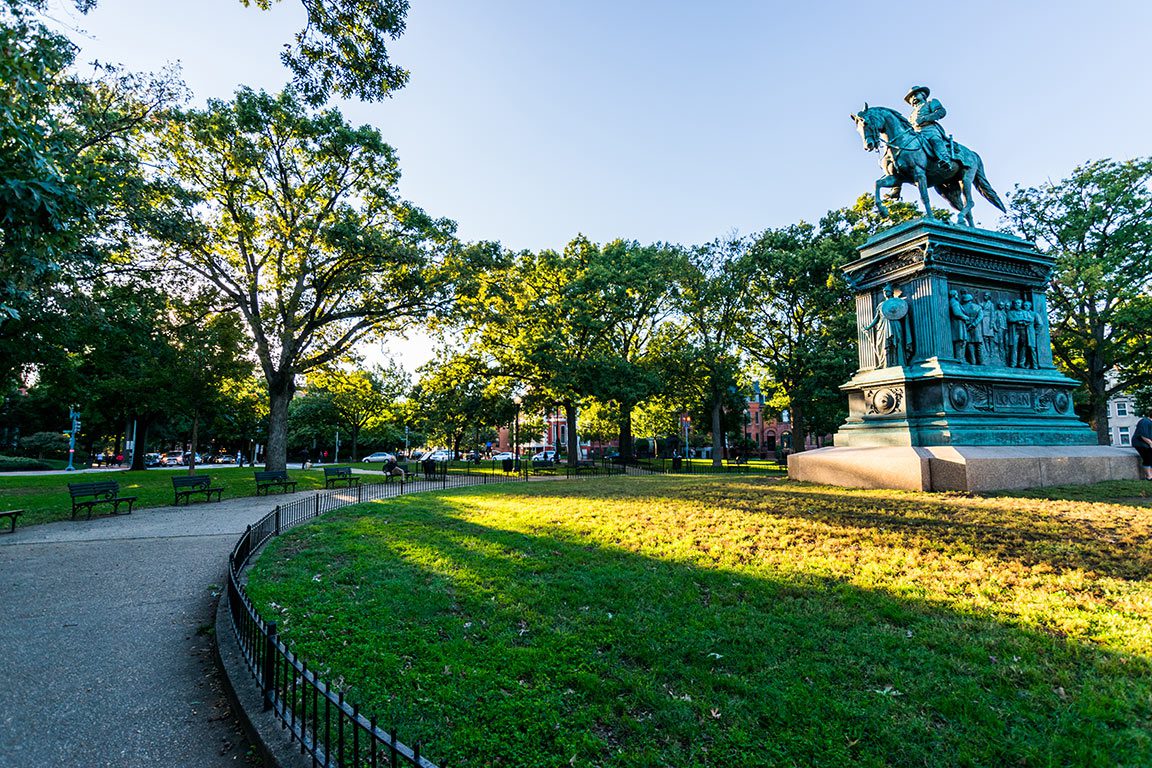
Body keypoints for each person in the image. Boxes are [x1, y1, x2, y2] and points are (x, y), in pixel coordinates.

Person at [862, 283, 909, 368]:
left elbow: (903, 314)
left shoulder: (898, 302)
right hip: (883, 326)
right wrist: (868, 327)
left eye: (887, 291)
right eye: (884, 291)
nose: (885, 293)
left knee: (895, 344)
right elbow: (876, 318)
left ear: (891, 292)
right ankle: (885, 364)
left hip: (894, 324)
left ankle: (897, 362)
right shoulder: (881, 305)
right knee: (884, 345)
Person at [905, 85, 952, 170]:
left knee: (935, 140)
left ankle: (945, 160)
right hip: (916, 133)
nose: (913, 97)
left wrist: (925, 118)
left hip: (930, 129)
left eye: (916, 94)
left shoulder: (930, 103)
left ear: (923, 94)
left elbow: (941, 112)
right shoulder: (912, 114)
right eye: (911, 96)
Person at [1133, 411, 1152, 481]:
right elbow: (1143, 435)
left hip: (1146, 444)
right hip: (1141, 444)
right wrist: (1150, 443)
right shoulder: (1145, 421)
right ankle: (1149, 477)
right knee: (1148, 459)